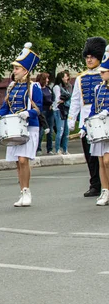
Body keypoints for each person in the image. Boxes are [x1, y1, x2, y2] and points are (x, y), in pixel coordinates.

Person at [0, 42, 42, 207]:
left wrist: (29, 113)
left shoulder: (34, 87)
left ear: (25, 70)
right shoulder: (11, 87)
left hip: (29, 127)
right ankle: (22, 191)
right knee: (16, 162)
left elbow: (40, 108)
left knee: (23, 160)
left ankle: (27, 192)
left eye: (17, 68)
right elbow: (5, 107)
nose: (14, 71)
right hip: (12, 128)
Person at [68, 37, 106, 198]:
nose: (89, 59)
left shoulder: (104, 75)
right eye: (87, 57)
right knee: (90, 155)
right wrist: (72, 118)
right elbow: (76, 99)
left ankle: (105, 185)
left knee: (103, 155)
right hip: (86, 121)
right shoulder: (80, 78)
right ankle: (95, 184)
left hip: (104, 119)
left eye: (92, 56)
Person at [86, 45, 109, 206]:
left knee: (107, 160)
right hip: (100, 127)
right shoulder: (98, 88)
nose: (100, 74)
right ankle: (105, 191)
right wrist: (85, 125)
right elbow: (94, 108)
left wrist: (107, 111)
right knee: (101, 160)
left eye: (103, 72)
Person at [53, 70, 72, 155]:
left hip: (66, 109)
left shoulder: (67, 87)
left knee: (66, 131)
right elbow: (57, 100)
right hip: (59, 110)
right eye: (65, 76)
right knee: (60, 130)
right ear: (61, 78)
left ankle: (65, 149)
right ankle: (57, 149)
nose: (66, 78)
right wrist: (63, 100)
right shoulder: (57, 87)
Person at [36, 72, 54, 154]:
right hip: (42, 110)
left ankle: (49, 149)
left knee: (50, 130)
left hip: (50, 110)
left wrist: (52, 103)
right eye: (46, 78)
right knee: (41, 130)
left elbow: (52, 97)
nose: (48, 80)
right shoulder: (38, 89)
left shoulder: (48, 88)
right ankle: (38, 148)